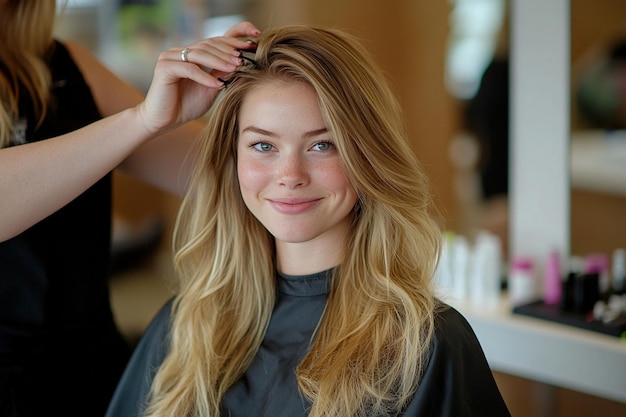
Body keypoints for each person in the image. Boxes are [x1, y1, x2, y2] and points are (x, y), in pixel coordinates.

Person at [105, 25, 512, 417]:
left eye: (322, 145)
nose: (290, 174)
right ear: (234, 159)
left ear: (367, 156)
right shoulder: (187, 325)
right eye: (263, 145)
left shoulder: (423, 345)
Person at [0, 1, 259, 416]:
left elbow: (218, 175)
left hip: (95, 373)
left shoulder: (66, 65)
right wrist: (140, 120)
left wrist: (281, 134)